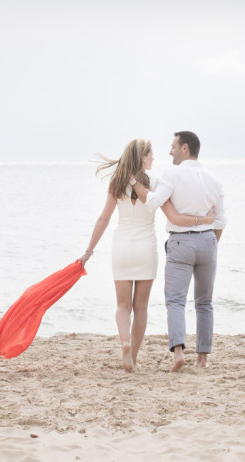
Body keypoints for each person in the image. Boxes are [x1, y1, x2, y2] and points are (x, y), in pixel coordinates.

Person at [78, 138, 215, 373]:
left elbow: (103, 219)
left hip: (122, 246)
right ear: (142, 157)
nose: (154, 158)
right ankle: (133, 356)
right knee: (140, 307)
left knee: (122, 305)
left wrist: (88, 251)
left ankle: (124, 342)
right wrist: (203, 220)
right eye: (151, 154)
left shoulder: (117, 182)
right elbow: (174, 215)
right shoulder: (155, 183)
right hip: (145, 248)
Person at [131, 131, 227, 372]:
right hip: (208, 241)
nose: (170, 151)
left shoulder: (172, 175)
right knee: (205, 302)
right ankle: (202, 358)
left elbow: (153, 202)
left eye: (173, 146)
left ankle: (178, 354)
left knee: (175, 300)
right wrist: (210, 242)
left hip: (181, 242)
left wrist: (133, 182)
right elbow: (221, 220)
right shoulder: (213, 180)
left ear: (185, 148)